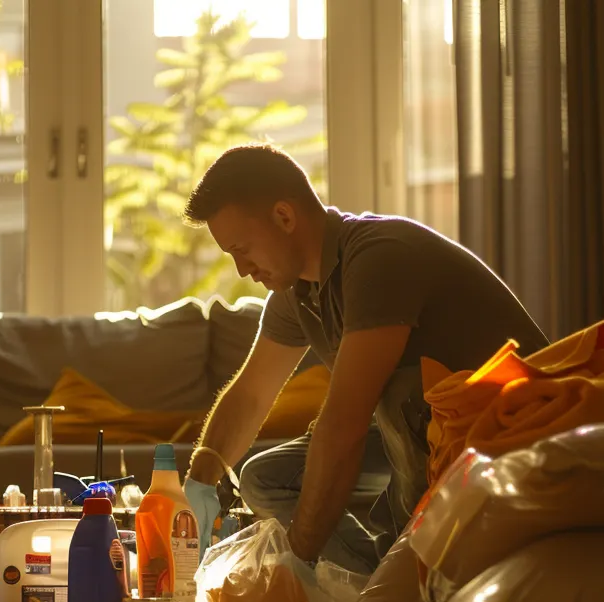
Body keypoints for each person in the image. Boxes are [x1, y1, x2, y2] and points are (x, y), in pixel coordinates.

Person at [181, 144, 547, 575]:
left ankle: (384, 579)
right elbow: (251, 395)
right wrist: (196, 483)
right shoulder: (297, 292)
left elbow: (344, 425)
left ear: (284, 216)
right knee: (265, 478)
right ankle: (373, 578)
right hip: (424, 433)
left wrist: (297, 559)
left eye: (242, 248)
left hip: (503, 433)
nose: (243, 269)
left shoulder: (379, 258)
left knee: (384, 409)